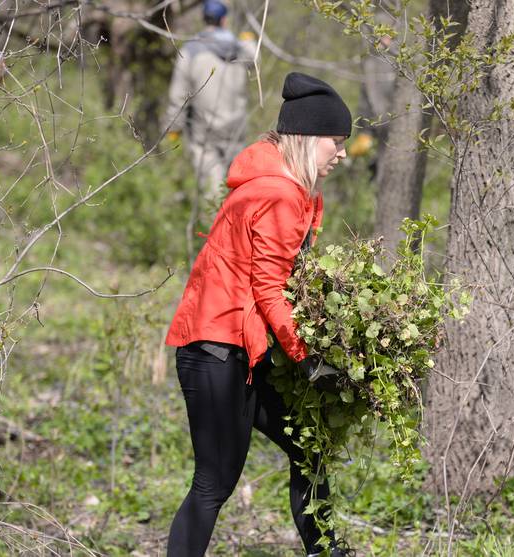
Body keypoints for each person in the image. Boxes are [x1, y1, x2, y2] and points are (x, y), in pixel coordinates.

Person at [164, 72, 353, 557]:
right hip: (218, 350)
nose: (343, 154)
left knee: (309, 448)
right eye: (337, 142)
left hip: (244, 347)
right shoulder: (279, 193)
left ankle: (325, 551)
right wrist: (307, 357)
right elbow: (269, 288)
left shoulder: (289, 189)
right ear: (310, 140)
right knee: (214, 482)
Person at [163, 0, 256, 204]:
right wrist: (249, 40)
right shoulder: (240, 49)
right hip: (236, 129)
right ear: (224, 20)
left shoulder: (191, 50)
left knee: (212, 194)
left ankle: (212, 233)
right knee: (238, 189)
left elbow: (178, 95)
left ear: (203, 19)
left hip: (204, 132)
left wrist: (173, 128)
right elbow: (254, 58)